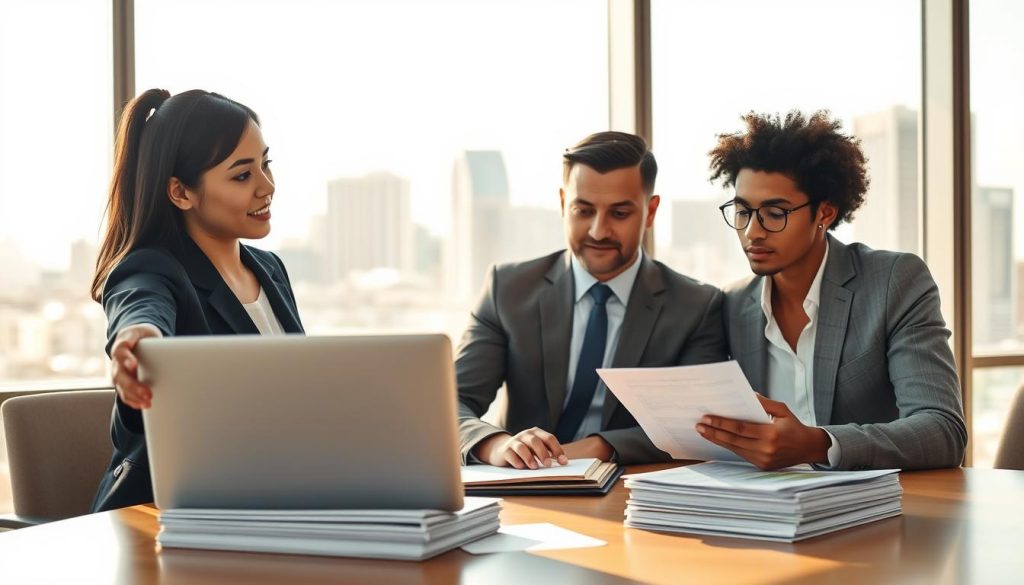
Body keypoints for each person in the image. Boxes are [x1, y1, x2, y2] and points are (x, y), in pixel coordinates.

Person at [698, 110, 967, 470]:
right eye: (743, 211)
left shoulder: (893, 282)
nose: (752, 232)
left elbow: (942, 430)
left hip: (875, 509)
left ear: (824, 212)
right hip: (767, 508)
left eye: (775, 213)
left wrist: (818, 443)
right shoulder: (731, 304)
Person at [456, 131, 727, 469]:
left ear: (651, 211)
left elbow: (696, 424)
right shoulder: (507, 290)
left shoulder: (696, 307)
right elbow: (450, 402)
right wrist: (496, 445)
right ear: (561, 204)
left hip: (630, 493)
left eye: (619, 214)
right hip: (519, 488)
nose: (599, 231)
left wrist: (593, 448)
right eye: (583, 210)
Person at [89, 89, 304, 512]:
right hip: (168, 521)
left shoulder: (270, 269)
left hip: (274, 500)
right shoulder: (151, 267)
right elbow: (141, 307)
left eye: (266, 164)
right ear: (181, 192)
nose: (267, 186)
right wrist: (139, 341)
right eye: (242, 175)